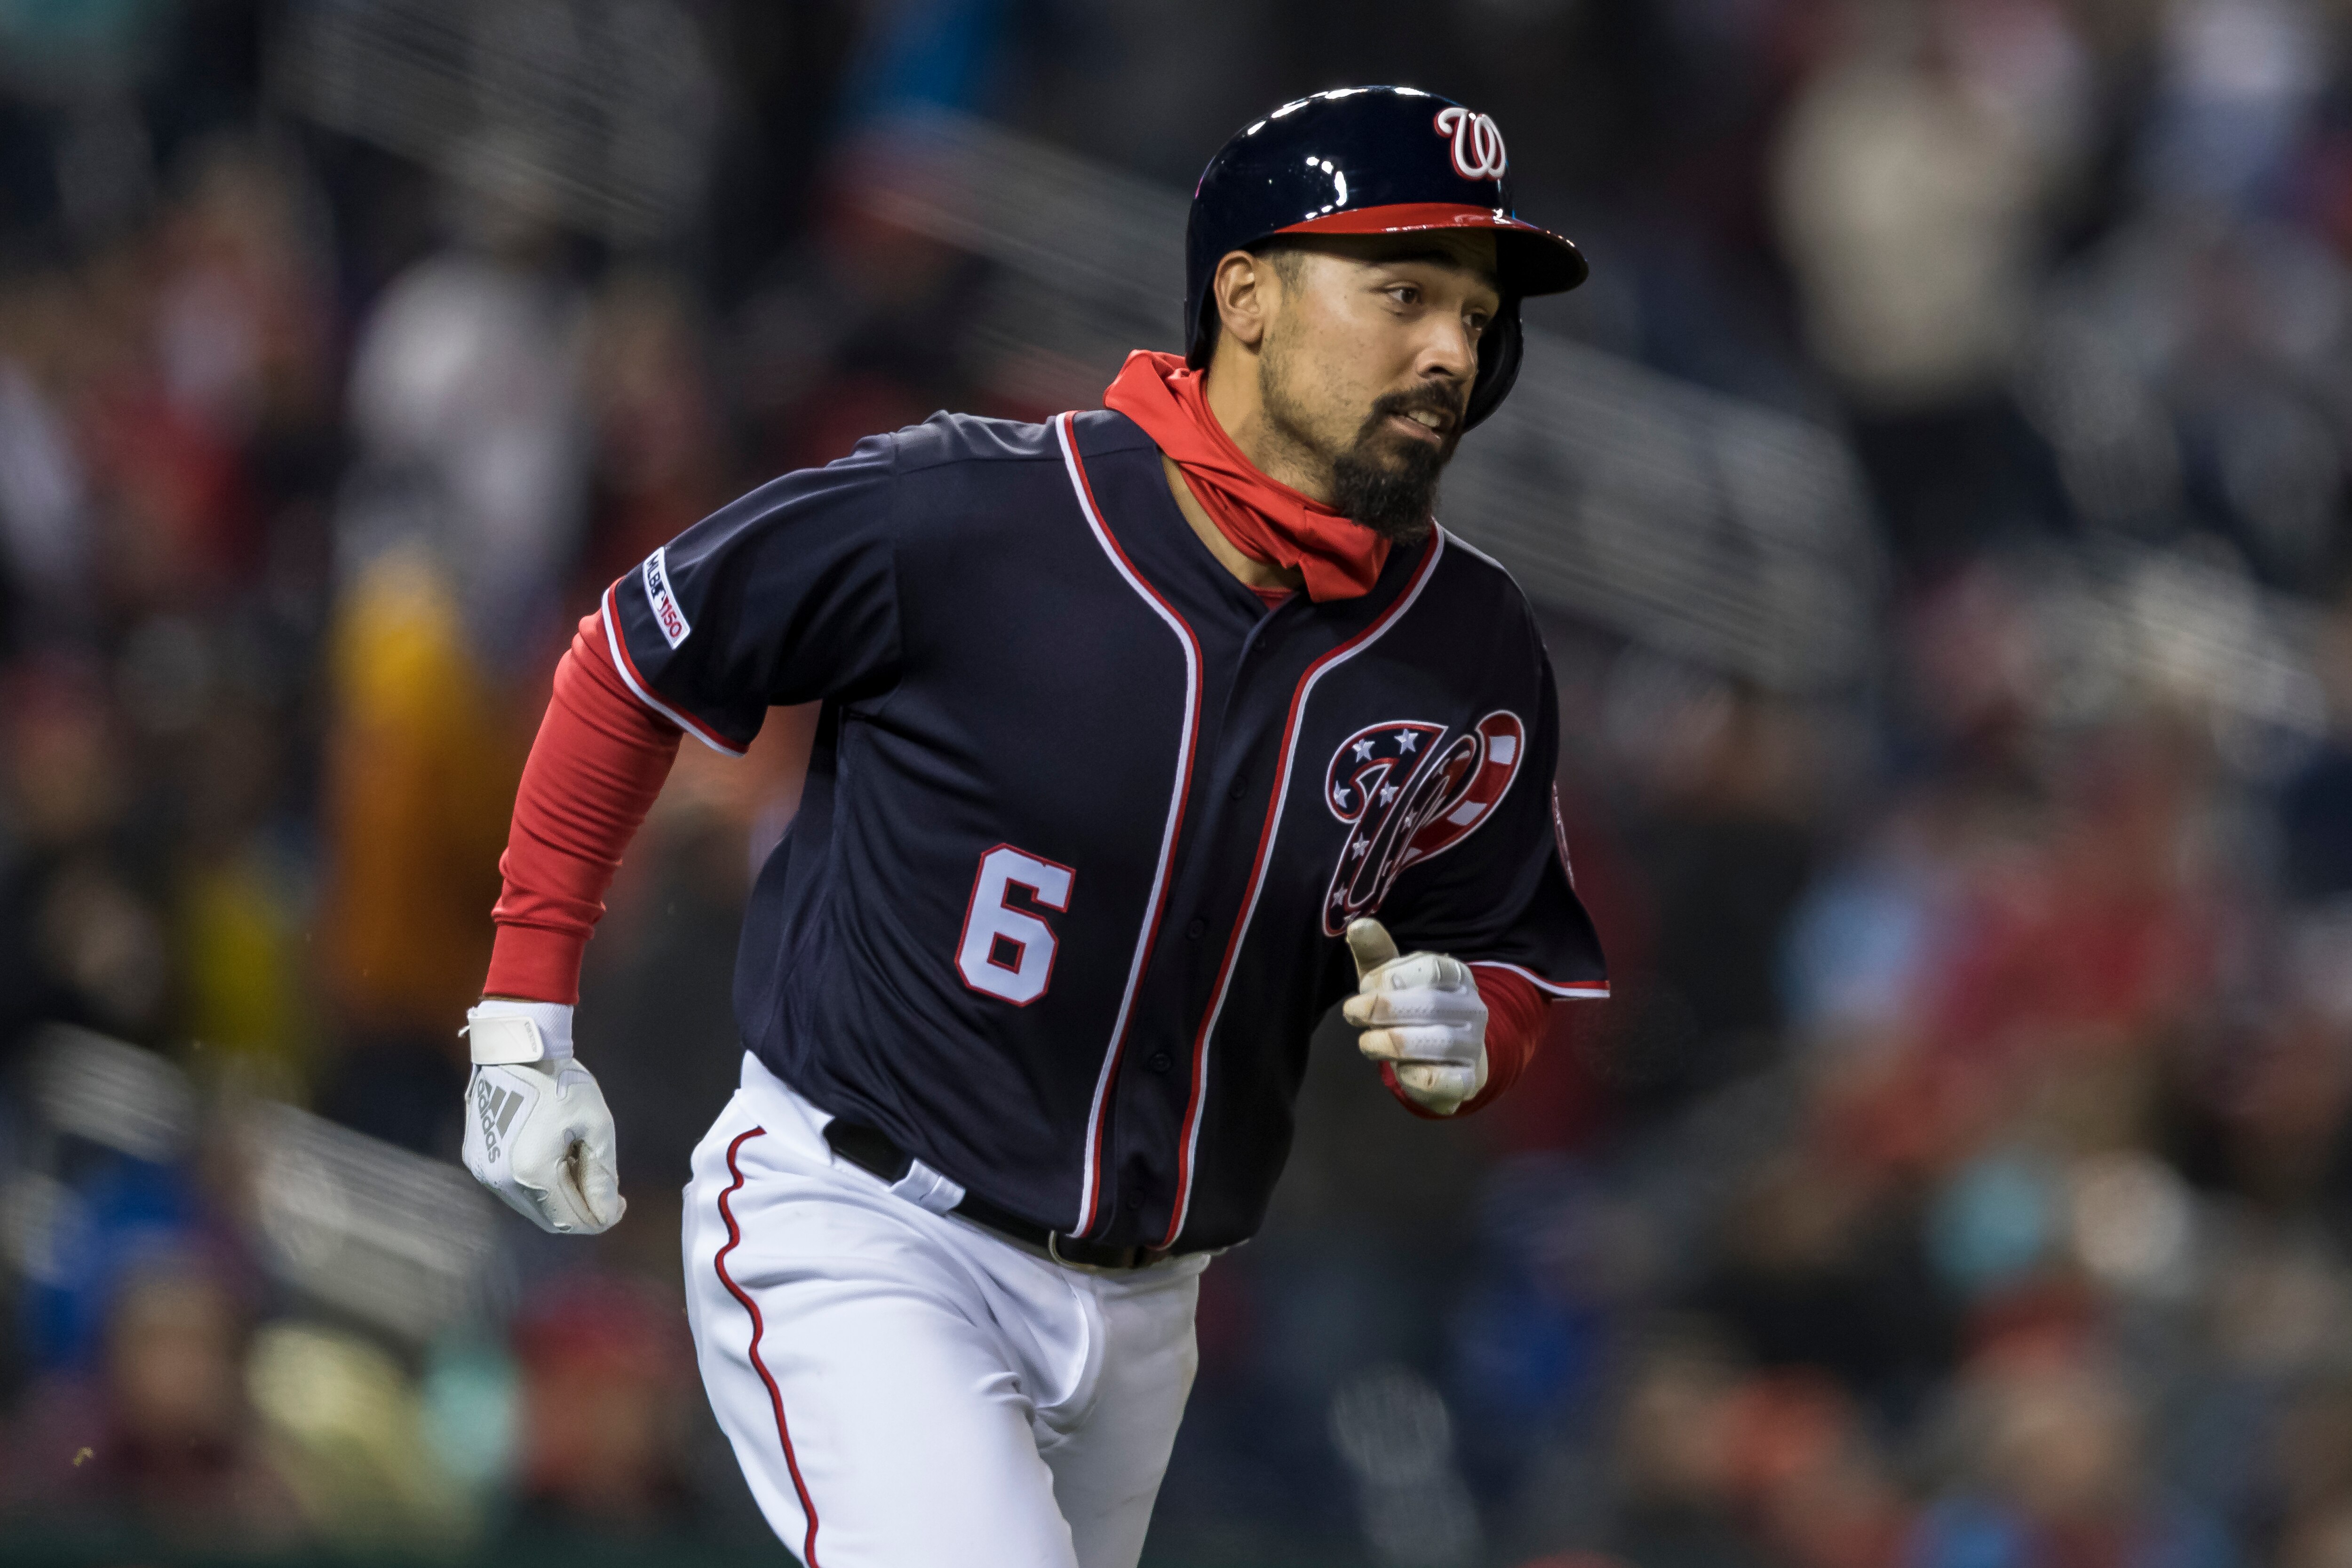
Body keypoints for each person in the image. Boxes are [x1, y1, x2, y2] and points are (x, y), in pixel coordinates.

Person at [457, 86, 1607, 1567]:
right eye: (1401, 292)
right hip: (867, 1224)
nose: (1453, 347)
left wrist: (1477, 1030)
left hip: (1152, 1309)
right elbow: (636, 654)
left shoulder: (1470, 645)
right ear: (1245, 295)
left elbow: (1502, 948)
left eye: (1475, 309)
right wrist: (520, 1022)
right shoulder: (982, 511)